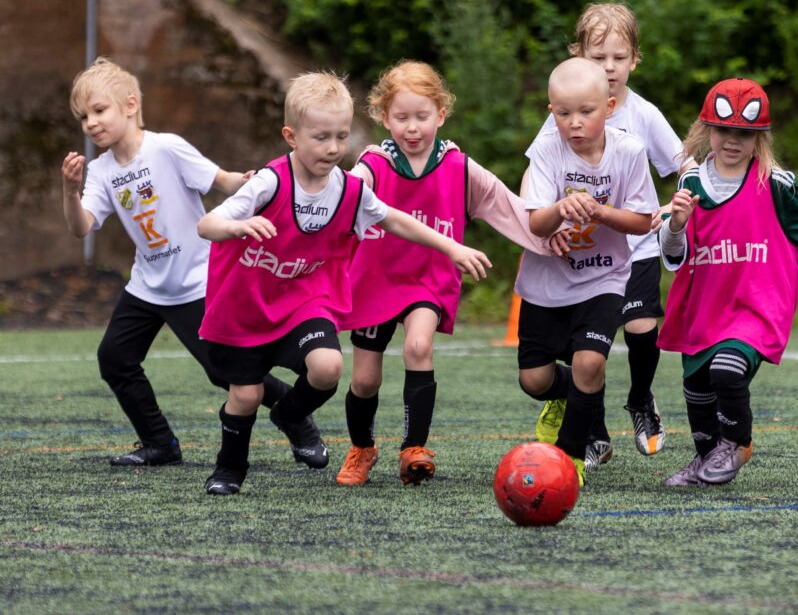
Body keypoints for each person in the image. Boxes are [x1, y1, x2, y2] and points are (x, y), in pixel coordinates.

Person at [196, 71, 490, 495]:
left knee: (329, 366)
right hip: (248, 304)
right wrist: (236, 227)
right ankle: (229, 469)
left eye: (341, 136)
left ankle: (291, 415)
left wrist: (451, 247)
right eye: (320, 137)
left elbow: (394, 218)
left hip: (303, 301)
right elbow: (207, 224)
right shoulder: (269, 182)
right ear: (291, 136)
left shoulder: (348, 189)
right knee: (245, 394)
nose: (333, 148)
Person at [60, 56, 325, 469]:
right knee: (114, 359)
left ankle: (298, 421)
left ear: (130, 106)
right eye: (83, 117)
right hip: (147, 286)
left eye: (99, 110)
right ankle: (160, 443)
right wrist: (71, 191)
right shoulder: (99, 170)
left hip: (197, 283)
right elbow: (81, 228)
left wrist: (249, 182)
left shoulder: (166, 147)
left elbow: (222, 181)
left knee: (225, 374)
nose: (90, 123)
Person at [336, 61, 567, 486]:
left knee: (419, 346)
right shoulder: (373, 164)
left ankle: (414, 448)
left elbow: (508, 207)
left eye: (421, 116)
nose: (411, 127)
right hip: (375, 279)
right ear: (384, 118)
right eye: (401, 117)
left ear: (441, 115)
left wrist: (547, 237)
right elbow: (342, 201)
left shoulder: (458, 166)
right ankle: (362, 448)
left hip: (427, 280)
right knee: (365, 379)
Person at [657, 77, 798, 486]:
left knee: (727, 370)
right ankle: (706, 456)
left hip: (755, 307)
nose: (733, 141)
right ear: (706, 130)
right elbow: (675, 259)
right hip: (703, 308)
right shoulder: (690, 186)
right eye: (724, 130)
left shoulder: (775, 183)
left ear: (760, 137)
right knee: (696, 386)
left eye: (745, 133)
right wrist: (675, 225)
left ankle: (738, 442)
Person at [526, 1, 689, 471]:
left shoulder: (643, 115)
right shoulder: (563, 115)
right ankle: (591, 428)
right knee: (579, 360)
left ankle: (640, 401)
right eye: (599, 58)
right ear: (579, 56)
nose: (610, 68)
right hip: (578, 257)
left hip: (633, 245)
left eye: (619, 58)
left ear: (635, 59)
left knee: (641, 327)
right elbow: (533, 174)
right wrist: (545, 231)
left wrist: (675, 204)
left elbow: (684, 166)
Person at [516, 57, 658, 485]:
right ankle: (569, 397)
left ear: (610, 107)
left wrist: (600, 212)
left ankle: (571, 459)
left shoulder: (629, 151)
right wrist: (559, 209)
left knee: (590, 362)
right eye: (563, 114)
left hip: (604, 278)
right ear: (551, 112)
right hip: (547, 281)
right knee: (533, 380)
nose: (574, 123)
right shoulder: (546, 150)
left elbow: (642, 220)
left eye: (586, 112)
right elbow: (534, 222)